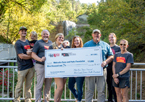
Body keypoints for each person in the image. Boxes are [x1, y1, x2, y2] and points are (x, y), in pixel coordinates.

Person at [84, 29, 113, 102]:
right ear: (92, 35)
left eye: (98, 34)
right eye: (95, 33)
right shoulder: (87, 45)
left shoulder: (105, 45)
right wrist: (85, 71)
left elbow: (111, 56)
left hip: (102, 70)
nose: (96, 35)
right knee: (89, 90)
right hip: (90, 71)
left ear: (100, 35)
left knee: (101, 91)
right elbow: (82, 57)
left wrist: (105, 62)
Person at [14, 26, 34, 102]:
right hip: (22, 67)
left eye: (25, 31)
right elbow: (21, 56)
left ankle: (28, 99)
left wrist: (31, 55)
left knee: (28, 86)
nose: (23, 32)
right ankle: (16, 99)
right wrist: (31, 56)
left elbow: (30, 51)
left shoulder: (28, 42)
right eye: (22, 31)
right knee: (19, 85)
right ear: (19, 32)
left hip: (30, 67)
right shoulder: (18, 43)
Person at [32, 30, 52, 102]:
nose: (45, 35)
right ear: (41, 35)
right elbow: (33, 54)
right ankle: (38, 100)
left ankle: (46, 100)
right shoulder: (38, 42)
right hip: (40, 66)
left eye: (47, 34)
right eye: (44, 34)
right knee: (39, 85)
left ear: (48, 35)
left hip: (49, 68)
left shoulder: (51, 43)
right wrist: (40, 59)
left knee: (48, 86)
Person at [49, 33, 67, 102]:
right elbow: (49, 59)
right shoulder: (51, 46)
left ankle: (58, 100)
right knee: (60, 86)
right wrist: (50, 71)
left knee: (61, 88)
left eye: (62, 38)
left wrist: (65, 49)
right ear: (56, 38)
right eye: (60, 37)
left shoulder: (63, 46)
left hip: (64, 69)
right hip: (56, 69)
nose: (61, 39)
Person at [68, 36, 85, 102]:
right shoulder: (71, 50)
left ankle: (79, 100)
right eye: (75, 41)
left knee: (79, 88)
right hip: (72, 72)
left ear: (80, 41)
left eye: (77, 40)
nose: (76, 42)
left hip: (80, 72)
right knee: (70, 86)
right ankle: (77, 98)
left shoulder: (84, 50)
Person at [107, 33, 120, 102]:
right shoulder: (107, 47)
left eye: (112, 37)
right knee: (109, 85)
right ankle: (110, 99)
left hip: (115, 69)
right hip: (108, 69)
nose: (111, 39)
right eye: (110, 37)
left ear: (115, 38)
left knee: (115, 86)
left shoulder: (118, 48)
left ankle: (116, 99)